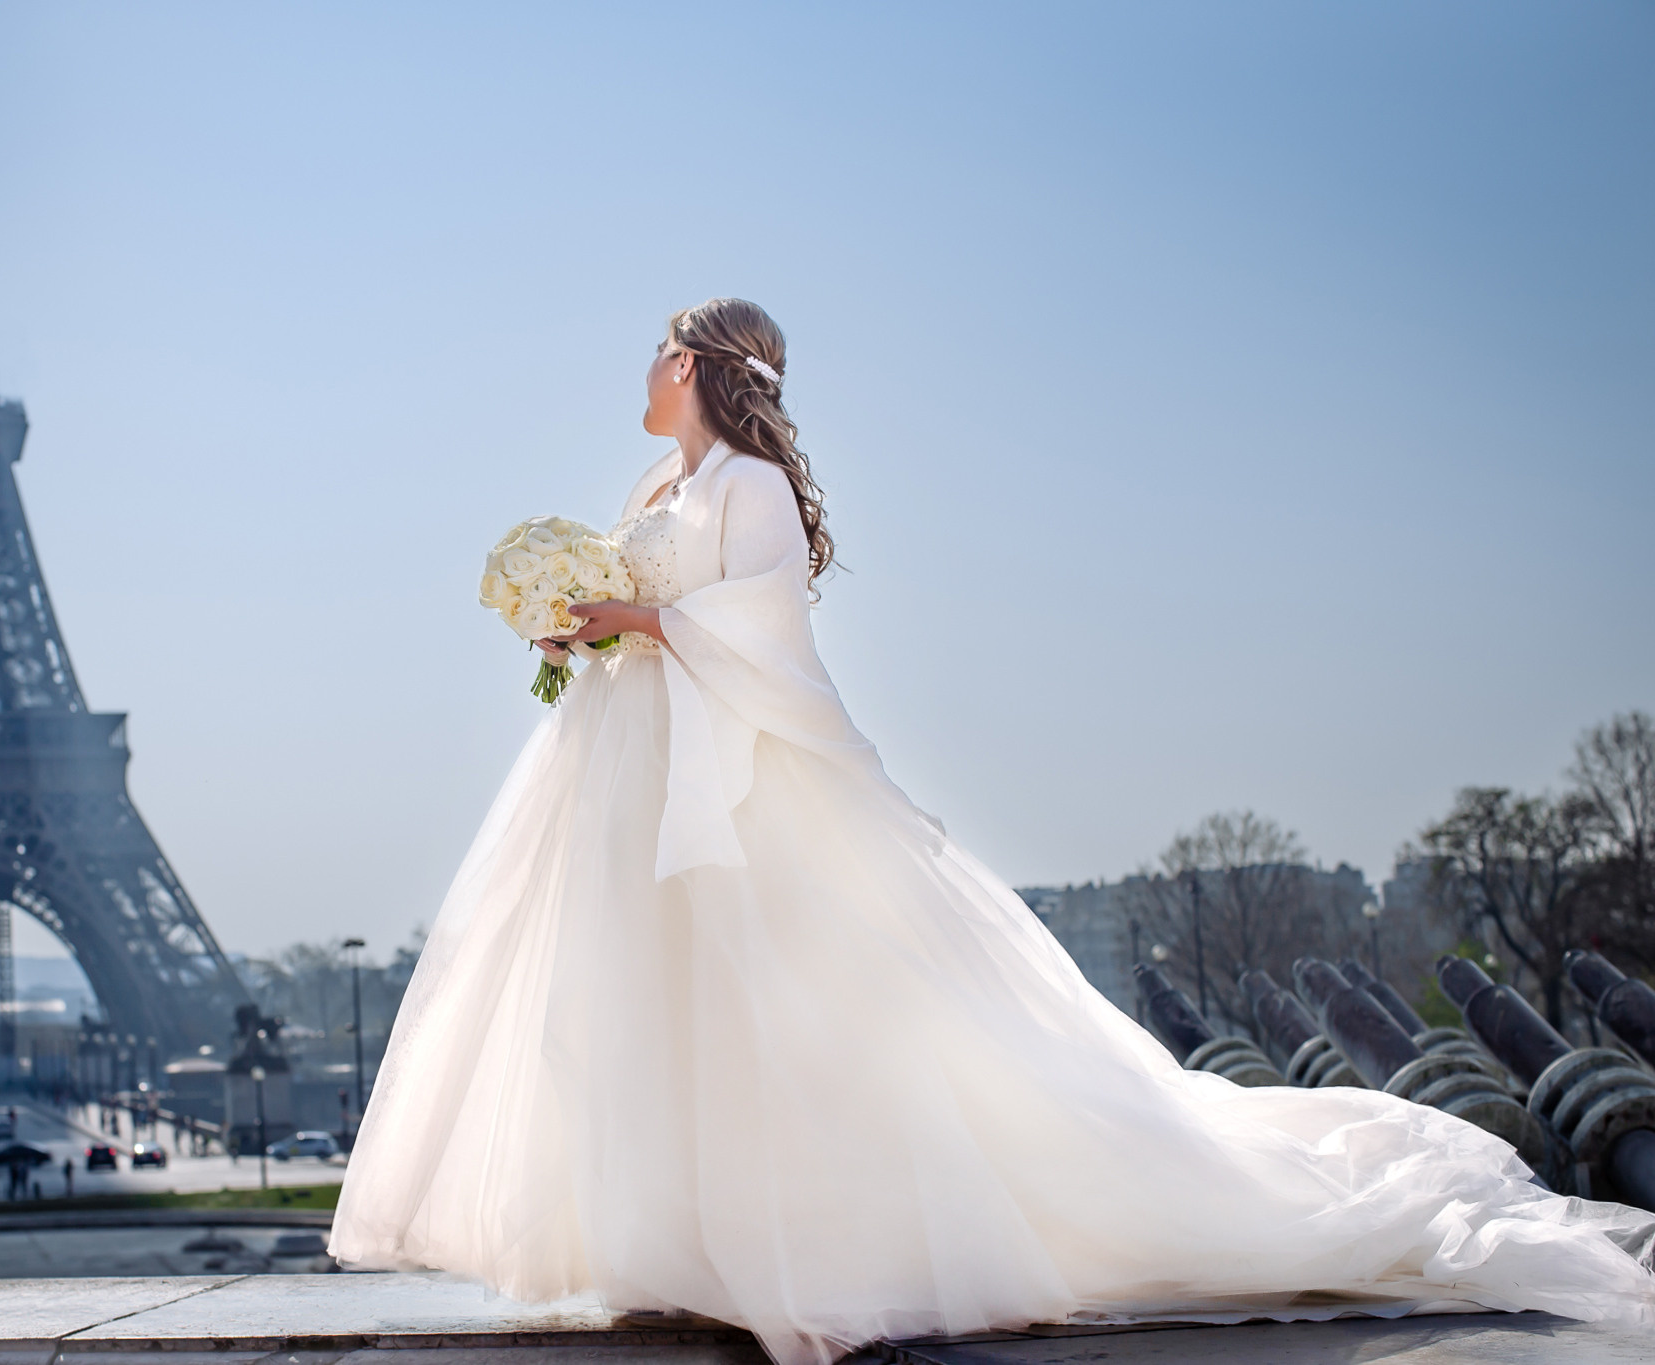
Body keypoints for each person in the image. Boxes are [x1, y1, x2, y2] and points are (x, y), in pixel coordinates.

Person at [328, 298, 1655, 1365]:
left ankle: (809, 1250)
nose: (644, 367)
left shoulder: (749, 487)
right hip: (647, 787)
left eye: (657, 349)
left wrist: (631, 621)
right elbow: (648, 602)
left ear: (692, 364)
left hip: (735, 793)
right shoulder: (658, 484)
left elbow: (763, 635)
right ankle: (704, 1249)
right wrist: (578, 620)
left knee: (774, 1019)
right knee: (664, 1021)